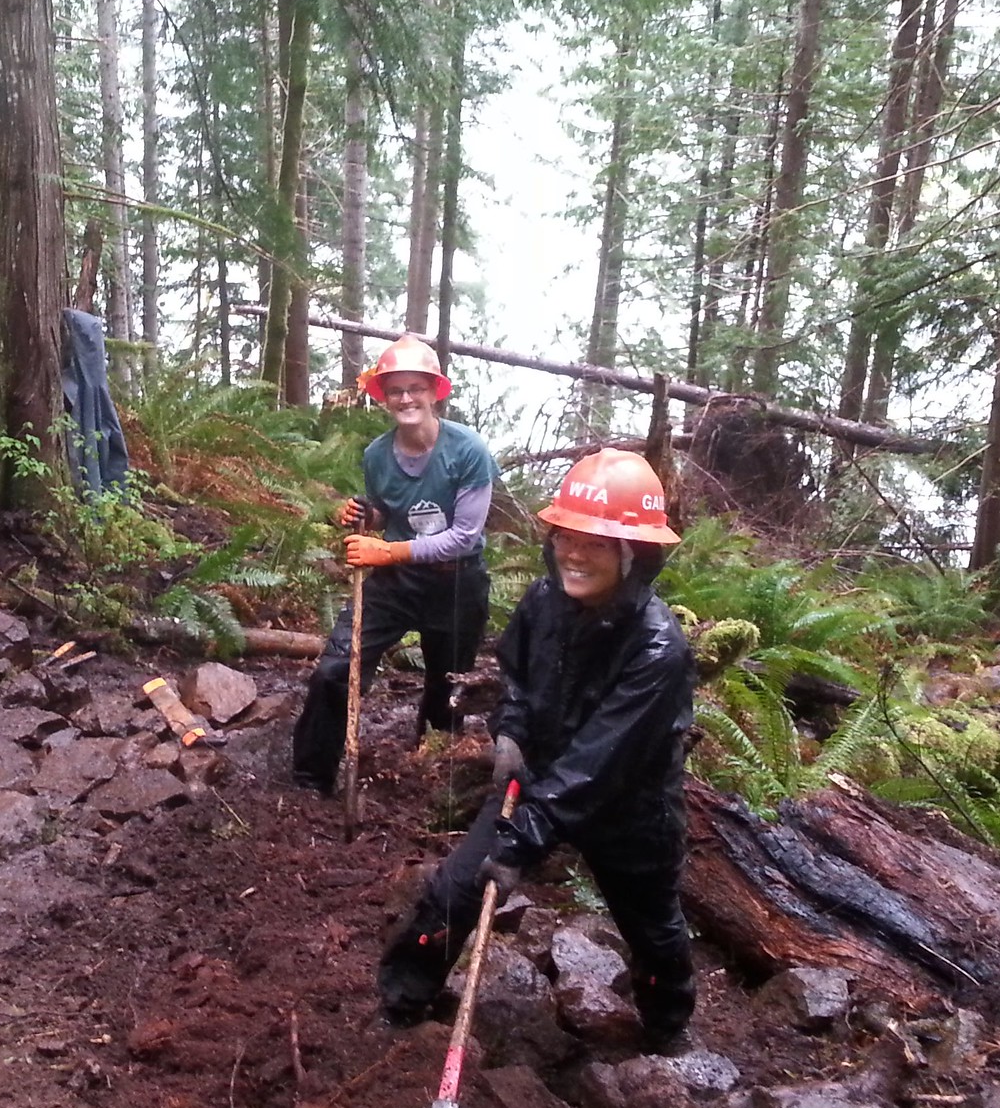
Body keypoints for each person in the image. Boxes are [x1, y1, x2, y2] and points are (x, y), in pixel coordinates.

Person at [377, 448, 696, 1053]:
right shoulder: (543, 601)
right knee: (454, 890)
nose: (575, 554)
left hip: (629, 805)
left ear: (635, 554)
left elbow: (600, 764)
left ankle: (668, 1030)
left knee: (652, 928)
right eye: (566, 537)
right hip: (537, 775)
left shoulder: (659, 650)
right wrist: (512, 730)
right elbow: (517, 675)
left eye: (597, 543)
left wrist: (523, 839)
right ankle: (402, 1004)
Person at [290, 335, 497, 795]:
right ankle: (310, 779)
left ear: (434, 391)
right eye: (396, 390)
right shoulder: (377, 454)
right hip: (396, 581)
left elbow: (463, 538)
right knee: (336, 669)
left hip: (457, 584)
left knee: (447, 692)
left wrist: (387, 551)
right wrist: (365, 515)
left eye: (415, 388)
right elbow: (390, 511)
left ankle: (430, 782)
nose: (406, 398)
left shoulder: (468, 452)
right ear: (383, 397)